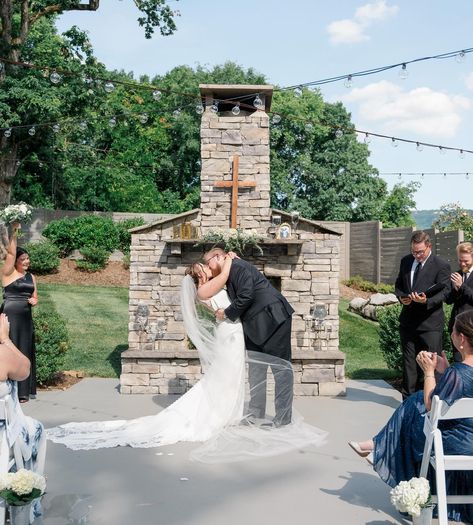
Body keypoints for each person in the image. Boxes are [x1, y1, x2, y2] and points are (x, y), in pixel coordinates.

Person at [47, 255, 327, 459]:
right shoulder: (209, 286)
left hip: (251, 327)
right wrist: (227, 262)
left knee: (259, 373)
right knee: (233, 376)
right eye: (202, 267)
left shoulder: (224, 277)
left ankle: (267, 416)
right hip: (231, 333)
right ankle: (237, 413)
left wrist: (228, 263)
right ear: (200, 276)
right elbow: (231, 291)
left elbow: (243, 291)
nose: (206, 267)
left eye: (206, 263)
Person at [348, 309, 473, 523]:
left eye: (452, 331)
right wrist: (447, 369)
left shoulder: (458, 374)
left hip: (459, 444)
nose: (450, 334)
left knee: (416, 409)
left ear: (461, 339)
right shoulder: (457, 373)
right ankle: (377, 445)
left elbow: (432, 408)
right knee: (414, 402)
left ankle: (379, 446)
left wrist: (429, 372)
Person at [203, 247, 295, 426]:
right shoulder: (229, 270)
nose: (208, 267)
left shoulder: (238, 267)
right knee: (256, 371)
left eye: (208, 263)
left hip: (273, 319)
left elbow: (246, 295)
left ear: (217, 257)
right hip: (254, 326)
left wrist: (226, 314)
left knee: (281, 370)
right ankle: (255, 414)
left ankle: (283, 419)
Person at [0, 312, 46, 522]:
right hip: (4, 443)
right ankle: (30, 503)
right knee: (37, 429)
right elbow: (25, 369)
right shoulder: (2, 355)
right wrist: (6, 339)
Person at [395, 231, 451, 399]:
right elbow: (398, 284)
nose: (417, 255)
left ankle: (433, 401)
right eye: (414, 252)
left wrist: (427, 301)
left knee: (433, 364)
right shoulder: (406, 261)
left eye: (420, 252)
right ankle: (407, 401)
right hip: (408, 323)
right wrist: (402, 298)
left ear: (429, 246)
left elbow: (446, 292)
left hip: (430, 325)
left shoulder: (441, 265)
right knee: (409, 364)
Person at [1, 222, 38, 403]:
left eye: (28, 259)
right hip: (9, 315)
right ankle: (7, 387)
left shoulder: (32, 277)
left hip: (25, 317)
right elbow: (10, 253)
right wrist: (15, 232)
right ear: (15, 261)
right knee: (9, 347)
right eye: (23, 259)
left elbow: (35, 296)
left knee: (24, 349)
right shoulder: (7, 274)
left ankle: (23, 392)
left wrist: (34, 301)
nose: (26, 261)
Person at [445, 242, 473, 362]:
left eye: (465, 261)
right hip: (457, 327)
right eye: (460, 260)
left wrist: (462, 287)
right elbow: (448, 300)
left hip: (471, 328)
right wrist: (455, 290)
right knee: (458, 363)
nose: (462, 264)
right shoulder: (457, 274)